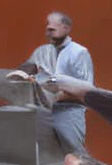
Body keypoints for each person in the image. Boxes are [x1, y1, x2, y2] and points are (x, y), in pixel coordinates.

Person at [12, 11, 93, 154]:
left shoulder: (79, 53)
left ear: (66, 29)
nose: (47, 33)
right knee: (48, 154)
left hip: (69, 111)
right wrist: (21, 75)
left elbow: (87, 90)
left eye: (52, 30)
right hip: (43, 110)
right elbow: (28, 68)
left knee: (75, 153)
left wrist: (57, 95)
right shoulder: (42, 51)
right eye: (47, 29)